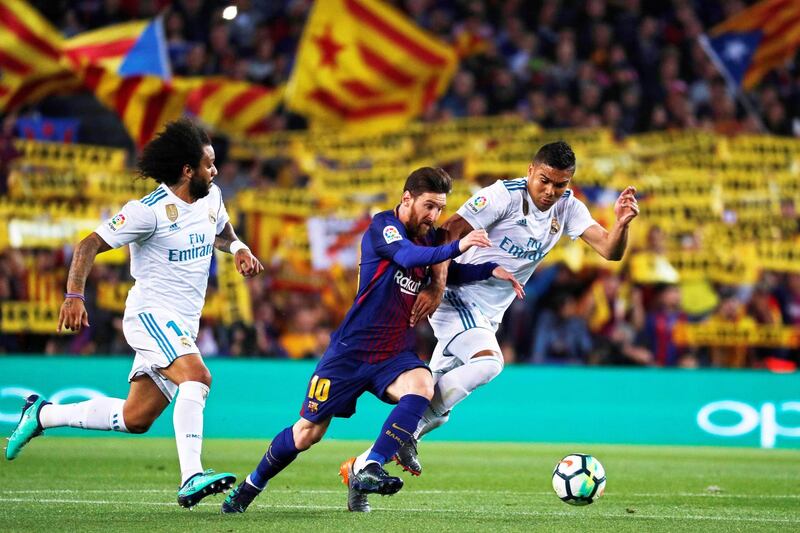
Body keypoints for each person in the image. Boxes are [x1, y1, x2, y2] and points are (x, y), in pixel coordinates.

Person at [221, 167, 523, 514]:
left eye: (440, 208)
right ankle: (249, 487)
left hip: (393, 354)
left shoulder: (429, 240)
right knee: (307, 433)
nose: (434, 216)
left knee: (422, 385)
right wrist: (458, 244)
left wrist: (488, 270)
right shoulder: (384, 226)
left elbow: (446, 270)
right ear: (406, 198)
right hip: (351, 352)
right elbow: (408, 258)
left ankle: (369, 466)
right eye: (428, 206)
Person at [5, 118, 264, 509]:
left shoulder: (211, 197)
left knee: (135, 418)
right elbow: (87, 245)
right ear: (187, 170)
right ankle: (191, 475)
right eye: (208, 165)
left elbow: (221, 232)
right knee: (198, 376)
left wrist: (240, 248)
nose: (215, 170)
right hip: (150, 316)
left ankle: (42, 415)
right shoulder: (148, 212)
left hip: (182, 324)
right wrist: (74, 294)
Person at [394, 141, 639, 475]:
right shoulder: (502, 196)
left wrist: (622, 225)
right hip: (458, 295)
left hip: (487, 315)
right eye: (544, 180)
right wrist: (436, 285)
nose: (551, 190)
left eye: (560, 184)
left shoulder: (569, 208)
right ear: (530, 172)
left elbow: (610, 251)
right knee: (489, 363)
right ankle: (409, 428)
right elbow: (448, 230)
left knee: (437, 408)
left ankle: (365, 465)